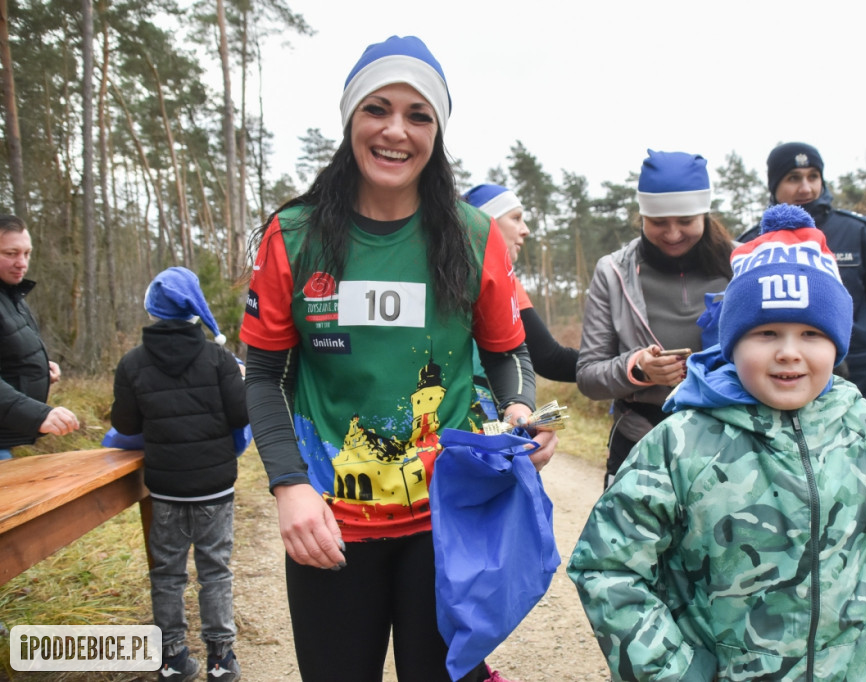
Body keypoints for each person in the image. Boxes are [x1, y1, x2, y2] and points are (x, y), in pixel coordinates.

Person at [239, 35, 554, 682]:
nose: (395, 131)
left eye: (418, 116)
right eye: (376, 109)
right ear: (349, 119)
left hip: (447, 525)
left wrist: (519, 409)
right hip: (330, 524)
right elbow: (264, 376)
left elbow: (508, 355)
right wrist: (289, 485)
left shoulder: (472, 236)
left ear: (437, 132)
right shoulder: (293, 236)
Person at [568, 203, 866, 681]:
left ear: (837, 344)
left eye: (812, 333)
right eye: (766, 332)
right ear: (732, 343)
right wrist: (676, 671)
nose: (789, 351)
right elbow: (608, 567)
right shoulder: (680, 444)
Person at [740, 142, 866, 439]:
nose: (806, 187)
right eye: (793, 178)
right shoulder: (751, 245)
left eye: (813, 176)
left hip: (864, 391)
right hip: (780, 397)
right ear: (774, 185)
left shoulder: (858, 232)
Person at [111, 266, 249, 682]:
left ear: (153, 308)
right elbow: (241, 415)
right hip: (214, 490)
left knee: (167, 574)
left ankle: (172, 659)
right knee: (215, 572)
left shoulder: (132, 363)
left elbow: (127, 426)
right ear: (194, 310)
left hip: (166, 490)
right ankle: (221, 660)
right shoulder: (219, 359)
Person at [576, 150, 733, 488]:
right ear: (641, 216)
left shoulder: (744, 266)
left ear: (705, 214)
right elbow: (588, 376)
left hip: (731, 446)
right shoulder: (613, 272)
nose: (673, 234)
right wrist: (637, 369)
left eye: (686, 221)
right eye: (659, 222)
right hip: (641, 443)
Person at [463, 183, 579, 383]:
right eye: (516, 218)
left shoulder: (429, 270)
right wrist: (623, 365)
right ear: (484, 223)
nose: (526, 230)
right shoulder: (501, 278)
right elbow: (549, 359)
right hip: (488, 408)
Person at [0, 214, 78, 460]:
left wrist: (39, 369)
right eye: (11, 253)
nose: (22, 263)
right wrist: (39, 415)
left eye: (27, 253)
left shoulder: (11, 297)